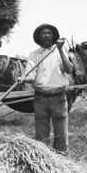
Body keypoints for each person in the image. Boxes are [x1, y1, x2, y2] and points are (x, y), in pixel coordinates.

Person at [18, 23, 73, 155]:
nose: (47, 35)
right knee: (41, 138)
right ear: (39, 37)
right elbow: (31, 75)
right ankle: (43, 163)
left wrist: (60, 50)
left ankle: (62, 164)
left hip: (59, 98)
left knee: (61, 136)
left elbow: (69, 69)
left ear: (53, 36)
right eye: (44, 33)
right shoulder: (34, 55)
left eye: (49, 33)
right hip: (40, 98)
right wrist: (24, 78)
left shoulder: (60, 52)